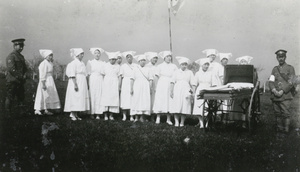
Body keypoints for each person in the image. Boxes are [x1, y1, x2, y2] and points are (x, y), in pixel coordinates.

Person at [269, 49, 295, 133]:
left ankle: (286, 131)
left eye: (282, 57)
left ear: (285, 57)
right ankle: (279, 130)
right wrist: (273, 90)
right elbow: (271, 81)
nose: (281, 59)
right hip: (275, 95)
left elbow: (291, 82)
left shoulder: (290, 68)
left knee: (286, 114)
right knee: (277, 113)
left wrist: (282, 91)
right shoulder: (274, 69)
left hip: (285, 96)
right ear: (277, 58)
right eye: (279, 57)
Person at [64, 48, 90, 121]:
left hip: (82, 81)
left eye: (83, 54)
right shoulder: (73, 63)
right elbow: (72, 75)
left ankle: (76, 114)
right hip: (76, 81)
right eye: (81, 54)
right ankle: (72, 113)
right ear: (77, 55)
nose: (82, 55)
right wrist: (75, 84)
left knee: (80, 97)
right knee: (75, 96)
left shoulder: (82, 63)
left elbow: (85, 73)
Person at [153, 50, 178, 125]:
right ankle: (158, 117)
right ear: (164, 58)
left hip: (170, 83)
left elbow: (175, 76)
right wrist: (157, 86)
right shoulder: (160, 66)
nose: (169, 58)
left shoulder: (174, 66)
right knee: (160, 99)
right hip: (162, 83)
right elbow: (156, 77)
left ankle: (168, 118)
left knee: (169, 100)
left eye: (170, 56)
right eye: (167, 57)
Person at [192, 58, 218, 128]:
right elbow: (194, 84)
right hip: (200, 90)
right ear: (201, 65)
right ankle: (201, 123)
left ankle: (207, 123)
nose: (206, 66)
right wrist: (194, 93)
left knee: (207, 107)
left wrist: (213, 92)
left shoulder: (211, 73)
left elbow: (214, 84)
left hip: (208, 90)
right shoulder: (198, 73)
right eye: (205, 64)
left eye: (207, 65)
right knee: (198, 107)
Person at [34, 49, 61, 115]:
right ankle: (38, 109)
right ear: (46, 56)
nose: (51, 57)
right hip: (45, 80)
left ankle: (46, 109)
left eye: (52, 55)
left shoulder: (50, 63)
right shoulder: (43, 64)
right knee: (43, 94)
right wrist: (43, 83)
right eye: (49, 56)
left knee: (49, 94)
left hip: (50, 79)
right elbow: (42, 74)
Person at [170, 56, 194, 127]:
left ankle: (182, 122)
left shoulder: (189, 72)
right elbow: (172, 82)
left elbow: (193, 83)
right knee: (176, 105)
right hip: (177, 89)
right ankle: (176, 121)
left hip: (186, 90)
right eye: (182, 64)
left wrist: (193, 92)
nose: (184, 66)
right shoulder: (176, 72)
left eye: (185, 64)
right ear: (180, 65)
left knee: (185, 105)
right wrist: (171, 91)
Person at [5, 38, 28, 115]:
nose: (21, 48)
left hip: (20, 81)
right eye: (19, 46)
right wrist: (21, 76)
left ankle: (22, 112)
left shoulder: (21, 57)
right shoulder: (11, 56)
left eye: (22, 46)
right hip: (12, 80)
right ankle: (8, 113)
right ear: (14, 46)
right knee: (10, 96)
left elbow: (24, 68)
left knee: (21, 96)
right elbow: (11, 69)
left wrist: (25, 74)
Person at [130, 54, 153, 122]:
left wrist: (150, 88)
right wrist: (131, 88)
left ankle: (143, 117)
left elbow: (151, 79)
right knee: (137, 99)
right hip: (137, 85)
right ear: (139, 61)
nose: (143, 62)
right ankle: (136, 117)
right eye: (141, 60)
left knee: (144, 100)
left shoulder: (148, 69)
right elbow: (132, 79)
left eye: (144, 60)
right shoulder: (135, 69)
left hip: (145, 86)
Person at [101, 51, 121, 121]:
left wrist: (119, 86)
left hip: (114, 83)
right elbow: (103, 75)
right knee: (106, 98)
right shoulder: (105, 65)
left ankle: (111, 115)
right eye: (111, 59)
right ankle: (105, 115)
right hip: (107, 83)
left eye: (114, 59)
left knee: (113, 99)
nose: (112, 61)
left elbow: (119, 76)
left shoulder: (118, 66)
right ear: (109, 59)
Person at [86, 48, 106, 119]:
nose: (97, 55)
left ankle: (98, 113)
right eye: (95, 53)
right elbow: (88, 74)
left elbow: (104, 74)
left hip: (100, 80)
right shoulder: (90, 62)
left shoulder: (103, 63)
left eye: (98, 53)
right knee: (92, 95)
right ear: (93, 54)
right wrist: (88, 83)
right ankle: (92, 113)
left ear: (100, 54)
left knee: (99, 96)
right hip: (92, 79)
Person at [120, 51, 137, 121]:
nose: (129, 58)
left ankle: (131, 116)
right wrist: (120, 85)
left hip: (133, 82)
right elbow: (121, 76)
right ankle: (124, 115)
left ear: (132, 58)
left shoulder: (135, 66)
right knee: (125, 99)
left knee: (132, 99)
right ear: (126, 58)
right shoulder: (123, 66)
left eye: (130, 57)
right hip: (125, 82)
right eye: (127, 57)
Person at [145, 51, 159, 121]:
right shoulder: (147, 66)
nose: (155, 60)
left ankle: (153, 115)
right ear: (150, 59)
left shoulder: (157, 67)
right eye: (154, 58)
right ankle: (146, 115)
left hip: (155, 84)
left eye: (156, 58)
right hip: (147, 84)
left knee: (154, 100)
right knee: (147, 99)